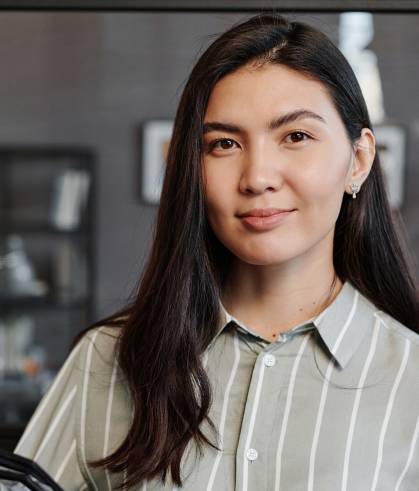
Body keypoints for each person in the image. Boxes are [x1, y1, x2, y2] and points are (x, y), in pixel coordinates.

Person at [14, 12, 419, 491]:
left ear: (359, 161)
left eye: (295, 136)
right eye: (224, 143)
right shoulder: (104, 361)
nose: (257, 177)